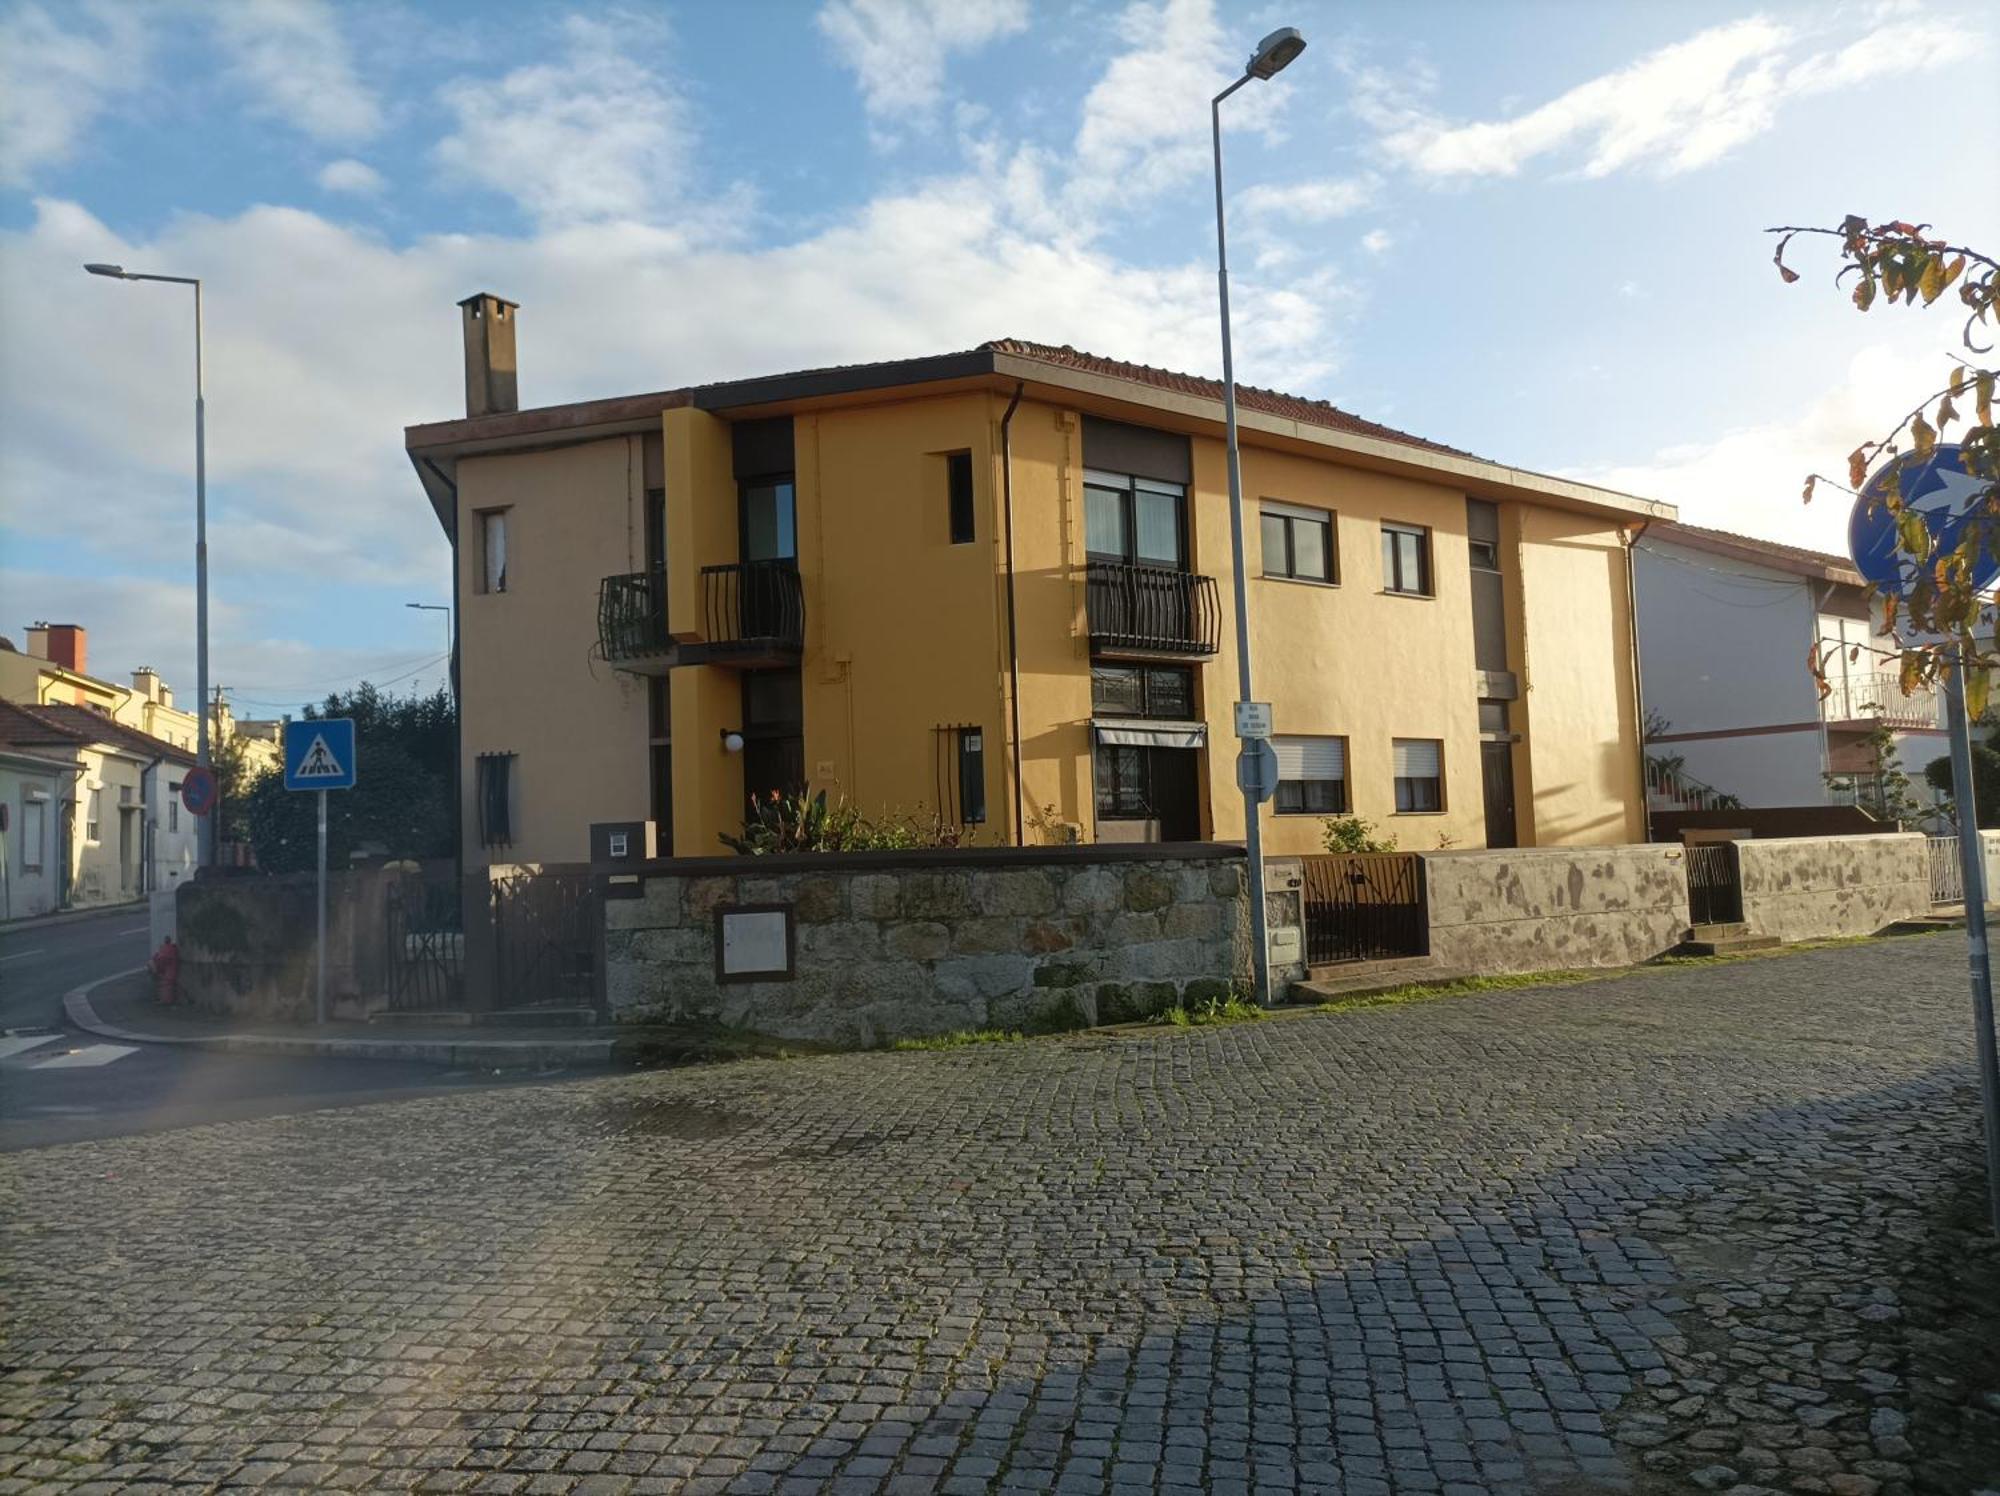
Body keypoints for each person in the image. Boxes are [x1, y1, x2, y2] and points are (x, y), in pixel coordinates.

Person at [148, 935, 181, 1006]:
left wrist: (156, 967)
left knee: (165, 984)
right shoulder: (171, 948)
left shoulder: (166, 949)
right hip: (169, 971)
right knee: (164, 983)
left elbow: (161, 959)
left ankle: (165, 999)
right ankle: (164, 998)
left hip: (168, 972)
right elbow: (160, 958)